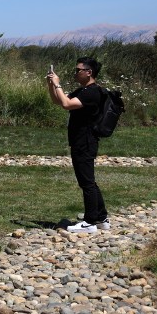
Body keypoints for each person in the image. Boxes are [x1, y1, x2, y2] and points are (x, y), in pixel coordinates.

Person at [47, 57, 109, 233]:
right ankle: (101, 218)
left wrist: (58, 83)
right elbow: (58, 101)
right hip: (81, 141)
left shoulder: (92, 92)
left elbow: (66, 104)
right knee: (89, 181)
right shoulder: (84, 91)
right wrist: (51, 85)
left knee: (86, 183)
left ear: (89, 72)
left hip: (85, 141)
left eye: (78, 70)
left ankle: (89, 222)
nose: (76, 73)